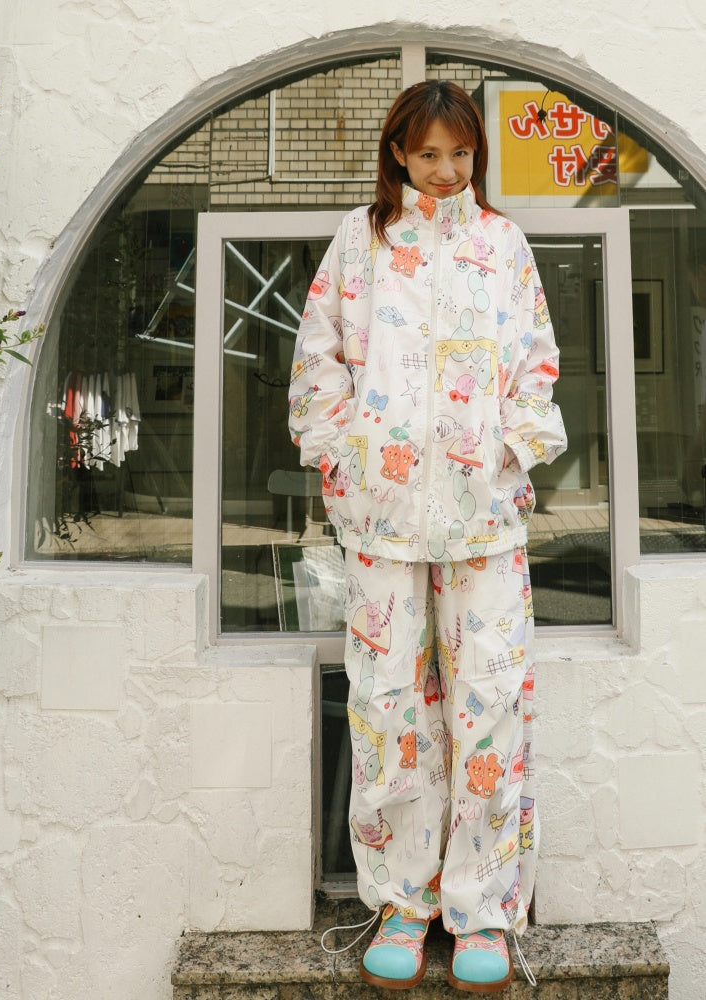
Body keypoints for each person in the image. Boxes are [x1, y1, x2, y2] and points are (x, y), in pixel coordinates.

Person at [288, 80, 567, 993]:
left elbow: (537, 363)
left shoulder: (503, 243)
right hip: (382, 519)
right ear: (399, 155)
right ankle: (404, 901)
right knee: (389, 710)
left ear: (475, 153)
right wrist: (345, 457)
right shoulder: (359, 241)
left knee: (489, 704)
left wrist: (510, 454)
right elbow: (318, 356)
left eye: (460, 153)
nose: (446, 170)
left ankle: (482, 909)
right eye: (428, 154)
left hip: (483, 518)